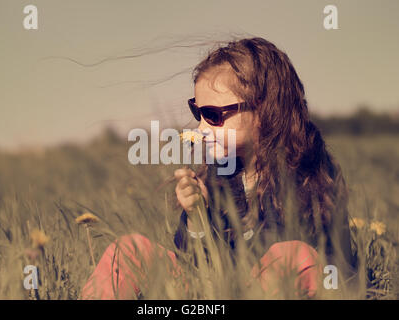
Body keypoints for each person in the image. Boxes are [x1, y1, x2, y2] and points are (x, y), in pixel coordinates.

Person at [81, 37, 358, 300]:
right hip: (220, 289)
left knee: (289, 257)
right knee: (130, 250)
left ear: (263, 110)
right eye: (198, 112)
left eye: (213, 115)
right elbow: (195, 261)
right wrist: (196, 218)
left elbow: (286, 250)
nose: (201, 128)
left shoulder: (307, 171)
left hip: (278, 283)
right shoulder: (219, 171)